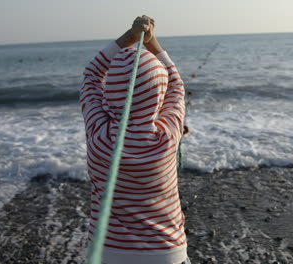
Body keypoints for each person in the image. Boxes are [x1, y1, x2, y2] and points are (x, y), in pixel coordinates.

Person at [79, 16, 190, 264]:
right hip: (167, 252)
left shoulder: (99, 133)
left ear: (111, 93)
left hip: (108, 254)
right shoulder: (168, 134)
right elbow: (176, 84)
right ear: (158, 94)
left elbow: (91, 74)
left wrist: (128, 37)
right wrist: (151, 41)